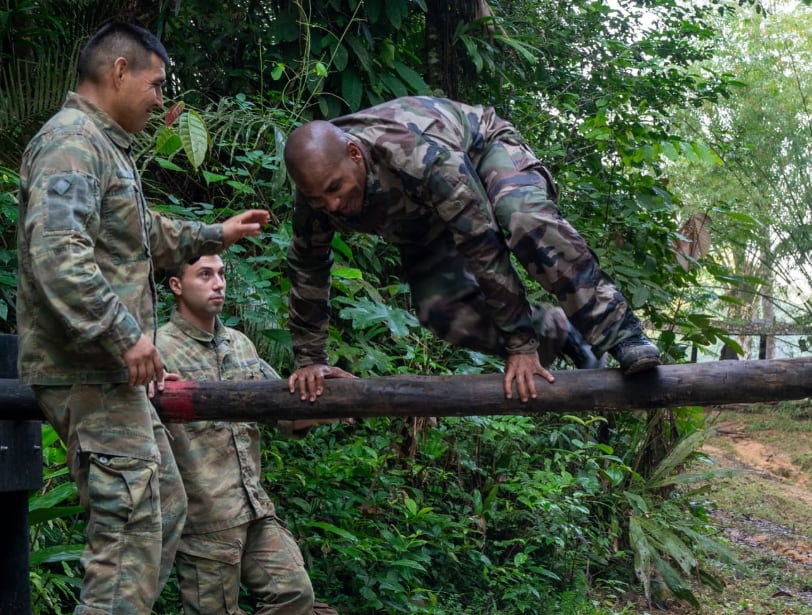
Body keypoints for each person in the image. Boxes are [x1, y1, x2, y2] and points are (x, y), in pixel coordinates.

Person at [16, 22, 270, 614]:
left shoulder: (104, 148)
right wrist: (126, 335)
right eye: (156, 85)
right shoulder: (71, 143)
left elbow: (142, 234)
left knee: (163, 511)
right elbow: (58, 256)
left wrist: (218, 233)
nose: (162, 100)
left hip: (111, 376)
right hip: (91, 371)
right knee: (128, 535)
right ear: (119, 71)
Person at [283, 96, 661, 404]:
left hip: (482, 154)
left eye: (335, 189)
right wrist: (310, 360)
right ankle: (557, 331)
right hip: (421, 218)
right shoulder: (315, 196)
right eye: (318, 198)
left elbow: (483, 246)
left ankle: (622, 334)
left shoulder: (419, 155)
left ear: (354, 154)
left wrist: (520, 346)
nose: (331, 205)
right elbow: (308, 268)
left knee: (523, 219)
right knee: (442, 311)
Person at [157, 254, 340, 614]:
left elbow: (284, 416)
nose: (219, 283)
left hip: (253, 507)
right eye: (205, 274)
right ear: (176, 286)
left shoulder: (240, 345)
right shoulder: (158, 350)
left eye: (222, 274)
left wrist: (329, 404)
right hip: (204, 515)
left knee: (294, 594)